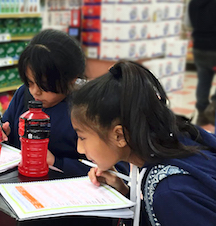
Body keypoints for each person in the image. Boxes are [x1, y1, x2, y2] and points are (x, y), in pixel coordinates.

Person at [70, 60, 216, 226]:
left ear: (119, 135)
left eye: (82, 137)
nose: (79, 149)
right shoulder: (180, 139)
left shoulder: (171, 193)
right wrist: (124, 192)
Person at [1, 29, 96, 176]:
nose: (35, 92)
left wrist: (57, 162)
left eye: (45, 85)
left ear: (71, 79)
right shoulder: (24, 94)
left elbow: (115, 172)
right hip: (17, 183)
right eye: (30, 82)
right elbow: (6, 127)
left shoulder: (89, 108)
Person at [185, 0, 216, 126]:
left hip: (199, 47)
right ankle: (214, 106)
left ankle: (202, 114)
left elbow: (188, 23)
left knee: (203, 81)